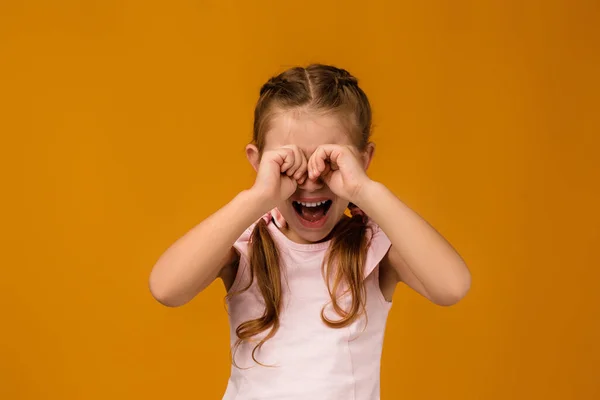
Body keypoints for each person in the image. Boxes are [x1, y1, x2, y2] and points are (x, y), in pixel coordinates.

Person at [149, 64, 471, 399]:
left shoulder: (373, 248)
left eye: (329, 162)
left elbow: (452, 286)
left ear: (363, 159)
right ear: (258, 162)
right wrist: (258, 197)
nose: (311, 181)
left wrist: (366, 190)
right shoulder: (247, 243)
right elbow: (166, 288)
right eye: (291, 163)